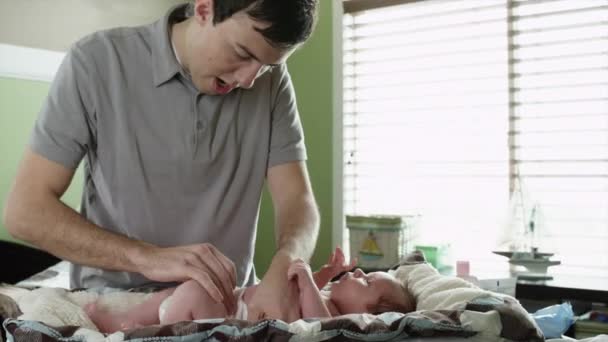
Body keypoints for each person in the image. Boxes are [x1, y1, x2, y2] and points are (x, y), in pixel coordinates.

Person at [2, 0, 320, 322]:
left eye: (267, 64)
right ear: (204, 9)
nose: (250, 79)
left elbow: (298, 200)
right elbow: (25, 212)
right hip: (114, 307)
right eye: (243, 53)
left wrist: (286, 263)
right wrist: (147, 258)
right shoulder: (95, 62)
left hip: (225, 313)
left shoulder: (272, 82)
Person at [84, 247, 414, 333]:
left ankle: (150, 331)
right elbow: (306, 289)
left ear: (370, 314)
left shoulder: (333, 320)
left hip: (230, 315)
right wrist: (326, 272)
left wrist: (311, 280)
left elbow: (315, 322)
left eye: (367, 282)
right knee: (169, 296)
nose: (358, 272)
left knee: (191, 301)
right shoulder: (326, 295)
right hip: (235, 297)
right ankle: (118, 323)